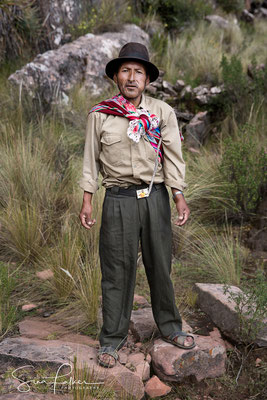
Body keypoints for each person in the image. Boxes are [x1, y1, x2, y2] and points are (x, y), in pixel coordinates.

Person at [79, 42, 195, 368]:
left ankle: (170, 327)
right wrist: (87, 199)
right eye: (126, 71)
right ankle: (111, 340)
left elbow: (173, 158)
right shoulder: (100, 115)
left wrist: (178, 194)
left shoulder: (162, 113)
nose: (131, 78)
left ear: (147, 78)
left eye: (138, 72)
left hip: (155, 197)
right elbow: (90, 160)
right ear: (116, 76)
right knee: (116, 270)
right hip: (117, 200)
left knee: (161, 265)